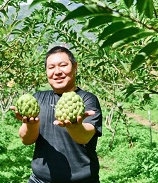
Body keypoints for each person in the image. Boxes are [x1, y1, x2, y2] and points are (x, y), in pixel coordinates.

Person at [11, 46, 103, 183]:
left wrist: (74, 127)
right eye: (51, 67)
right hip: (40, 180)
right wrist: (32, 125)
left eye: (63, 65)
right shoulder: (38, 98)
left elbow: (85, 136)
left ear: (75, 67)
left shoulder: (87, 99)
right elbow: (26, 140)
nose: (57, 72)